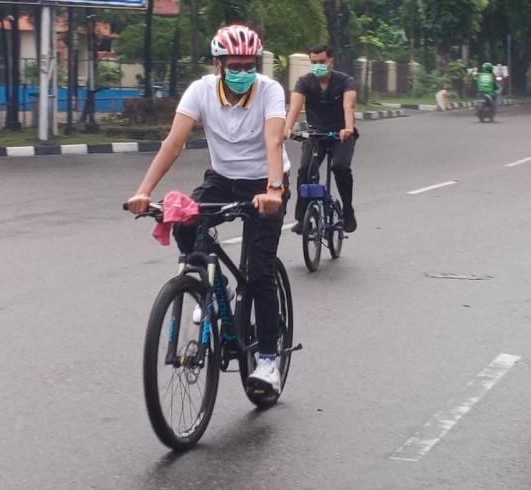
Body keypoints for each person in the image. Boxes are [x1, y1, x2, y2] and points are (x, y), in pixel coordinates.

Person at [126, 25, 290, 395]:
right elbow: (174, 142)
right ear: (218, 64)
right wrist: (144, 191)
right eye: (235, 64)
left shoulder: (270, 91)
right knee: (183, 221)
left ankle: (267, 360)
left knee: (260, 271)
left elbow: (273, 139)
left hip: (266, 182)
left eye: (250, 65)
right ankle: (212, 286)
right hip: (222, 178)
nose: (244, 72)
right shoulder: (201, 91)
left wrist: (275, 190)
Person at [285, 45, 358, 234]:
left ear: (331, 61)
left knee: (340, 167)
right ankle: (303, 219)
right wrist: (287, 128)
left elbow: (348, 106)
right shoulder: (305, 82)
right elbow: (294, 108)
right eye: (314, 62)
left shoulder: (345, 81)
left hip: (341, 135)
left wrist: (348, 128)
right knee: (305, 169)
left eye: (321, 62)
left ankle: (348, 211)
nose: (317, 66)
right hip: (316, 135)